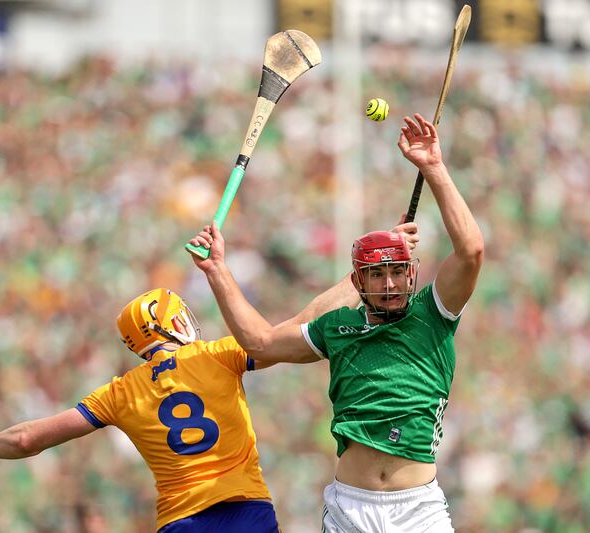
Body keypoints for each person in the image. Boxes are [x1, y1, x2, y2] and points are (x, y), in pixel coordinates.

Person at [0, 226, 419, 532]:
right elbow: (299, 324)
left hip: (179, 523)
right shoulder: (219, 355)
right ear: (174, 323)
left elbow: (30, 438)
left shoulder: (118, 393)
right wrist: (362, 280)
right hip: (246, 512)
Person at [187, 113, 484, 532]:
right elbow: (261, 342)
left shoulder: (433, 314)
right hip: (350, 508)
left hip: (419, 508)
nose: (390, 282)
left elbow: (470, 251)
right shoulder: (337, 328)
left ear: (412, 272)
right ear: (358, 281)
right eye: (377, 274)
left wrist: (433, 167)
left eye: (398, 271)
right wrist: (217, 270)